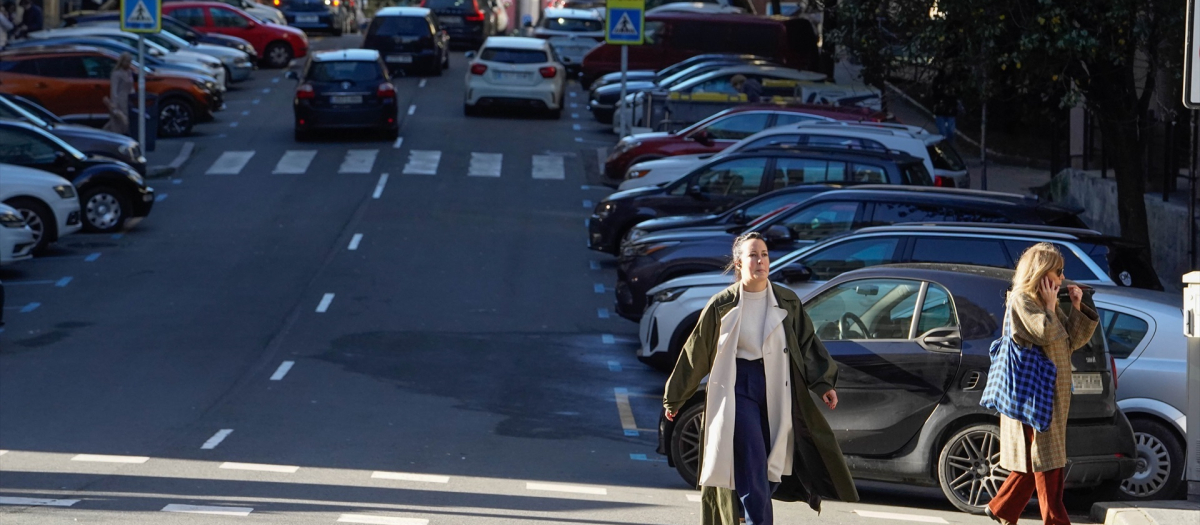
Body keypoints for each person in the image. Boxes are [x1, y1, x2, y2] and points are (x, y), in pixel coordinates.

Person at [663, 231, 858, 525]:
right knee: (753, 460)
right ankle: (756, 517)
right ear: (739, 263)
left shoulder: (787, 301)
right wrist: (675, 396)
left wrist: (823, 383)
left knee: (776, 462)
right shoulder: (721, 304)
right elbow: (696, 352)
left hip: (778, 385)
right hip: (738, 386)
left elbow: (807, 344)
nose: (760, 261)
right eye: (753, 255)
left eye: (764, 254)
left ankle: (742, 508)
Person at [985, 242, 1099, 525]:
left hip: (1051, 392)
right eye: (1058, 272)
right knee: (1048, 461)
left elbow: (1070, 341)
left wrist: (1074, 307)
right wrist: (1050, 307)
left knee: (1038, 460)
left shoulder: (1042, 302)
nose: (1062, 278)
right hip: (1034, 393)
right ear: (1041, 271)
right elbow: (1046, 333)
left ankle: (1002, 508)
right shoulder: (1022, 300)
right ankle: (1053, 520)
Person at [102, 53, 135, 136]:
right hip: (120, 100)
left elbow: (131, 86)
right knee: (118, 122)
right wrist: (114, 105)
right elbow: (114, 90)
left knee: (126, 122)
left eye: (130, 62)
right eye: (127, 62)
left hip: (129, 99)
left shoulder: (129, 72)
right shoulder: (116, 74)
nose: (128, 64)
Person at [930, 70, 960, 140]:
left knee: (950, 131)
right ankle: (943, 144)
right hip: (940, 109)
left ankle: (949, 145)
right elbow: (934, 92)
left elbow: (958, 93)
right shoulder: (938, 79)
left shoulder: (954, 79)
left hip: (951, 109)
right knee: (942, 132)